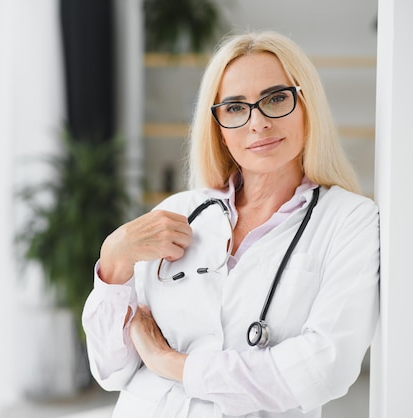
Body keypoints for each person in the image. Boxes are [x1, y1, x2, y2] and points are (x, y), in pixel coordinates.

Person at [81, 30, 380, 418]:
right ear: (219, 128)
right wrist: (114, 262)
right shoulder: (179, 212)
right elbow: (111, 371)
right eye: (236, 108)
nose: (258, 123)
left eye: (276, 99)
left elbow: (323, 367)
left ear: (307, 105)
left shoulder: (349, 219)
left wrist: (170, 363)